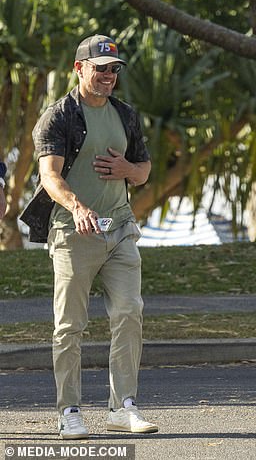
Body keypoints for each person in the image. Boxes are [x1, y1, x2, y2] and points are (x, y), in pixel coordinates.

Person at [19, 34, 158, 439]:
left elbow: (144, 169)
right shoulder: (59, 115)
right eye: (100, 69)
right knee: (70, 326)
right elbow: (49, 176)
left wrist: (127, 171)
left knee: (129, 313)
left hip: (120, 230)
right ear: (79, 69)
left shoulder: (126, 115)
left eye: (115, 69)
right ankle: (69, 411)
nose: (109, 76)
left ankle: (123, 407)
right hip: (73, 232)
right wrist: (78, 208)